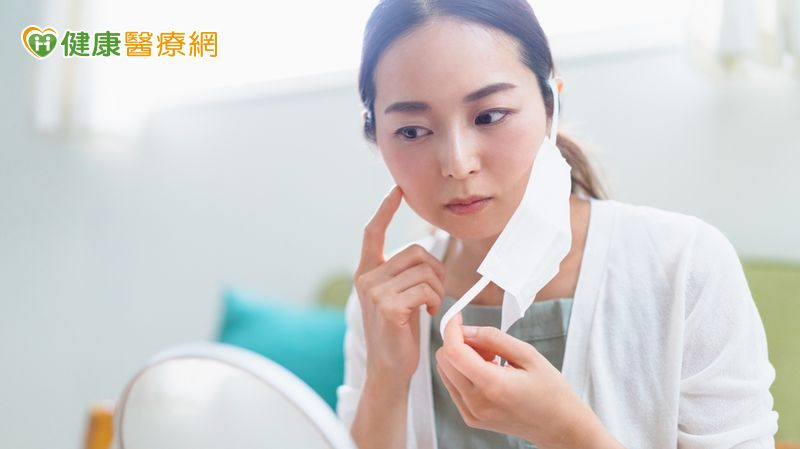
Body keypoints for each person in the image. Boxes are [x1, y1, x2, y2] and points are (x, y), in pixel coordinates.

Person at [335, 1, 779, 448]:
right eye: (412, 131)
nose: (457, 163)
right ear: (376, 137)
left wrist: (565, 432)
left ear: (551, 105)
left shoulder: (683, 267)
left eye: (489, 116)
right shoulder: (386, 301)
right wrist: (386, 376)